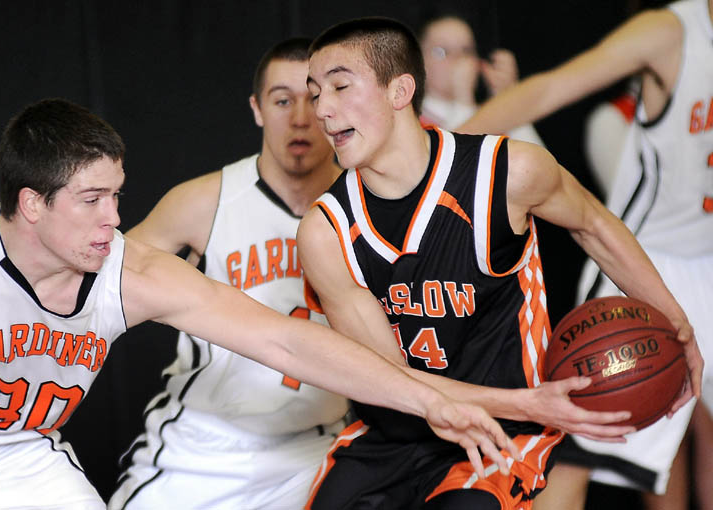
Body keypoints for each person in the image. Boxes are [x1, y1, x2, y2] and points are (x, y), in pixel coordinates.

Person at [0, 97, 525, 510]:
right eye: (92, 200)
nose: (115, 220)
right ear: (32, 203)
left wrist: (429, 400)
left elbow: (285, 340)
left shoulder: (131, 275)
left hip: (10, 456)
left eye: (117, 196)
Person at [297, 16, 703, 510]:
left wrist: (677, 323)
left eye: (340, 86)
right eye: (315, 92)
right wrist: (527, 401)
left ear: (400, 90)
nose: (321, 109)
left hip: (502, 435)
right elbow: (392, 379)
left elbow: (594, 226)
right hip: (395, 431)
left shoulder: (506, 172)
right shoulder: (325, 231)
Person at [459, 1, 713, 508]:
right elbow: (549, 89)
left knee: (693, 435)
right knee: (584, 443)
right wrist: (447, 159)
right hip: (646, 265)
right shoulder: (672, 32)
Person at [108, 38, 348, 510]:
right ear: (258, 109)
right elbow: (103, 288)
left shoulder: (366, 205)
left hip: (316, 447)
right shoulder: (204, 201)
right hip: (201, 445)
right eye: (282, 100)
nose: (299, 117)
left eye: (312, 98)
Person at [418, 13, 544, 146]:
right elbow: (457, 161)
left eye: (467, 51)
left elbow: (542, 162)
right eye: (442, 51)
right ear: (419, 61)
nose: (458, 59)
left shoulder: (488, 113)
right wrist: (463, 98)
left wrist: (508, 97)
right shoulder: (413, 121)